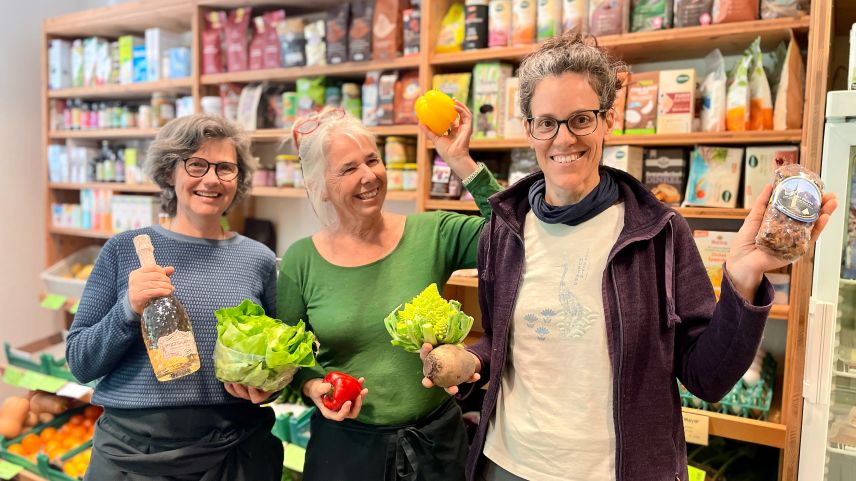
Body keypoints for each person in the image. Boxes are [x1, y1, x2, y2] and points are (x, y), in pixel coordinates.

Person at [424, 34, 838, 481]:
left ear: (608, 120)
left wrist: (742, 280)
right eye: (546, 122)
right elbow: (513, 339)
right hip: (507, 465)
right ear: (530, 130)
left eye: (581, 119)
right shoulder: (505, 229)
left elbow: (708, 378)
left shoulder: (658, 231)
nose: (563, 138)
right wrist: (473, 361)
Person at [276, 106, 502, 480]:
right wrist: (313, 384)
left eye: (373, 160)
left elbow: (513, 236)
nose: (368, 176)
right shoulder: (302, 259)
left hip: (435, 445)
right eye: (348, 169)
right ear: (320, 188)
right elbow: (289, 349)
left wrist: (461, 161)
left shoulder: (432, 232)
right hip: (345, 450)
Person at [66, 114, 283, 481]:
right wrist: (128, 309)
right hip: (133, 455)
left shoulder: (257, 259)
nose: (211, 179)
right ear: (170, 172)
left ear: (238, 180)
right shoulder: (124, 250)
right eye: (196, 164)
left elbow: (277, 365)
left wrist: (267, 387)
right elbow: (80, 362)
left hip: (236, 450)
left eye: (225, 168)